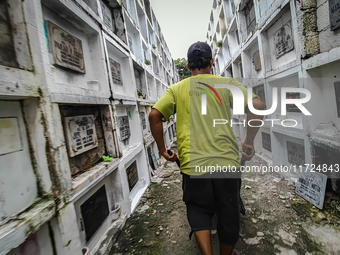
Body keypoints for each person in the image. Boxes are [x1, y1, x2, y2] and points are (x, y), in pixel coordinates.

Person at [149, 42, 264, 255]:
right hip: (227, 164)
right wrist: (249, 141)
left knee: (198, 209)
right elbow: (257, 106)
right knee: (228, 214)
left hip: (194, 166)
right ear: (211, 62)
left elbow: (154, 115)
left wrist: (163, 149)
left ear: (189, 65)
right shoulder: (227, 84)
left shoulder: (176, 89)